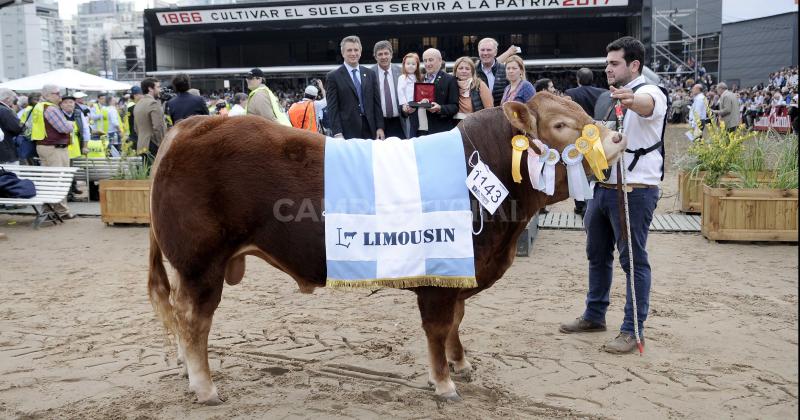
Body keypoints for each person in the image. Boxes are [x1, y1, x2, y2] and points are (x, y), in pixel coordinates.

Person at [559, 36, 667, 354]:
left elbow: (647, 106)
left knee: (633, 261)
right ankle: (594, 315)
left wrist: (631, 100)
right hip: (602, 189)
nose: (608, 68)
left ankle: (633, 330)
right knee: (597, 255)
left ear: (634, 65)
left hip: (634, 192)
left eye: (614, 63)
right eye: (606, 63)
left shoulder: (649, 93)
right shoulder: (609, 99)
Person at [566, 68, 608, 216]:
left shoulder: (571, 93)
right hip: (597, 136)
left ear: (578, 79)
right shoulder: (603, 93)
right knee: (596, 169)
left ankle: (580, 204)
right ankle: (594, 201)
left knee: (578, 169)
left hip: (578, 136)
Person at [325, 35, 385, 139]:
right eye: (349, 50)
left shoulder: (370, 74)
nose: (353, 53)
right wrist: (338, 133)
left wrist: (380, 127)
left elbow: (376, 104)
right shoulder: (333, 77)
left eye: (356, 50)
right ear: (343, 53)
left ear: (360, 52)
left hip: (371, 129)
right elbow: (332, 108)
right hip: (347, 132)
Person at [30, 84, 76, 218]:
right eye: (57, 93)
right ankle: (61, 211)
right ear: (48, 95)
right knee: (59, 179)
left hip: (44, 146)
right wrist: (71, 124)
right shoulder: (51, 109)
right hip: (54, 148)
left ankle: (48, 208)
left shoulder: (39, 107)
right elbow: (63, 128)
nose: (60, 96)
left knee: (49, 179)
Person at [420, 48, 459, 134]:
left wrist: (440, 108)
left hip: (440, 129)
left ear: (440, 60)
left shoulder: (450, 80)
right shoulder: (419, 80)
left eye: (430, 60)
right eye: (425, 61)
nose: (427, 64)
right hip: (420, 129)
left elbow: (454, 107)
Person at [371, 40, 404, 138]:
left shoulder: (401, 71)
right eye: (380, 54)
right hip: (379, 124)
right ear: (375, 56)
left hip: (400, 122)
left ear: (391, 55)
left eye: (386, 53)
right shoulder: (369, 74)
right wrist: (378, 126)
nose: (383, 57)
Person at [60, 95, 87, 199]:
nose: (69, 104)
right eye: (66, 102)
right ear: (61, 104)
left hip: (74, 147)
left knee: (70, 170)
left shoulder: (78, 114)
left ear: (74, 104)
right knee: (64, 170)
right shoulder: (58, 113)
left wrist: (85, 146)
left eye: (71, 102)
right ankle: (66, 192)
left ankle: (70, 191)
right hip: (61, 147)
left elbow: (85, 130)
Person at [134, 78, 167, 159]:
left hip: (141, 145)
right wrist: (162, 145)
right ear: (150, 89)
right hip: (153, 145)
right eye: (158, 87)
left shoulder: (138, 104)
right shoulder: (153, 103)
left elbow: (136, 128)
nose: (160, 90)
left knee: (147, 171)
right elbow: (158, 127)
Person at [452, 56, 493, 120]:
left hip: (476, 124)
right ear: (455, 71)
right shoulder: (451, 85)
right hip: (455, 125)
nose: (464, 71)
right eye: (460, 68)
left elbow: (489, 110)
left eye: (467, 69)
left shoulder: (479, 85)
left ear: (472, 72)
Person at [475, 38, 510, 106]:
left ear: (495, 52)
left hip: (501, 113)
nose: (485, 53)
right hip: (479, 114)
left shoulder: (506, 70)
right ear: (478, 52)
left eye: (489, 50)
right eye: (482, 50)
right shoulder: (472, 71)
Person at [397, 52, 424, 138]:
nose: (411, 66)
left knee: (417, 124)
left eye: (413, 64)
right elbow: (400, 91)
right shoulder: (402, 77)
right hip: (408, 104)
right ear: (404, 65)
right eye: (408, 64)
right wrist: (404, 104)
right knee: (410, 126)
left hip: (418, 104)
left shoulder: (419, 77)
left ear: (417, 66)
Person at [0, 88, 22, 165]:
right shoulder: (5, 110)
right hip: (6, 150)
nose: (15, 101)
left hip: (3, 150)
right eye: (13, 98)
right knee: (11, 175)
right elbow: (16, 128)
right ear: (7, 99)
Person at [125, 86, 143, 150]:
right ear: (135, 95)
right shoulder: (131, 105)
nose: (142, 96)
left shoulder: (132, 104)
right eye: (141, 94)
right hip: (134, 135)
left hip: (133, 135)